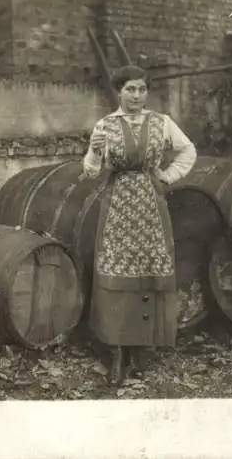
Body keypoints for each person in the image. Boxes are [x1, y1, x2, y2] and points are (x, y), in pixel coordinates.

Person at [82, 65, 197, 386]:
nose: (136, 96)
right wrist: (93, 151)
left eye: (142, 89)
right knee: (116, 272)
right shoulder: (105, 125)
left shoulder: (162, 123)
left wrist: (168, 175)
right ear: (118, 91)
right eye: (130, 89)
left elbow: (188, 150)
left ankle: (141, 348)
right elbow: (91, 171)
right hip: (117, 206)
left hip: (150, 205)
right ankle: (118, 352)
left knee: (148, 271)